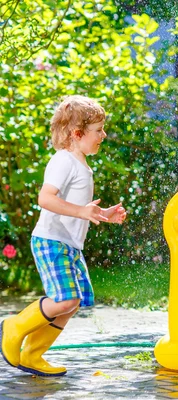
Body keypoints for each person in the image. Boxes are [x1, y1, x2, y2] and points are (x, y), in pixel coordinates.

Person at [0, 95, 127, 376]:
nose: (103, 135)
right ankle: (14, 326)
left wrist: (104, 214)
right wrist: (82, 212)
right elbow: (46, 199)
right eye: (98, 131)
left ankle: (32, 354)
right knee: (66, 300)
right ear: (77, 133)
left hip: (69, 246)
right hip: (51, 241)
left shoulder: (80, 163)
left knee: (73, 302)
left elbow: (79, 208)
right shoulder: (64, 161)